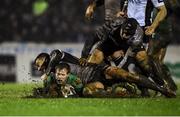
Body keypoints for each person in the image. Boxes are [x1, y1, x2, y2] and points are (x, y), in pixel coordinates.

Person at [34, 49, 176, 98]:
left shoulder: (54, 56)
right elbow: (52, 90)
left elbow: (56, 54)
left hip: (96, 70)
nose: (38, 68)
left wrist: (46, 72)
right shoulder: (53, 75)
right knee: (90, 92)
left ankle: (162, 89)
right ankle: (120, 92)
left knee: (128, 76)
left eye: (38, 64)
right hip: (89, 82)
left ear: (44, 59)